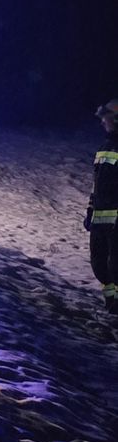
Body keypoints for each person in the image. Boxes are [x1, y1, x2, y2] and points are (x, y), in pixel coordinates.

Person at [85, 99, 118, 315]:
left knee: (116, 266)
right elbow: (97, 184)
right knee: (100, 265)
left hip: (116, 220)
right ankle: (111, 304)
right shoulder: (104, 148)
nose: (102, 122)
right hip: (100, 218)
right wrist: (90, 209)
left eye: (106, 118)